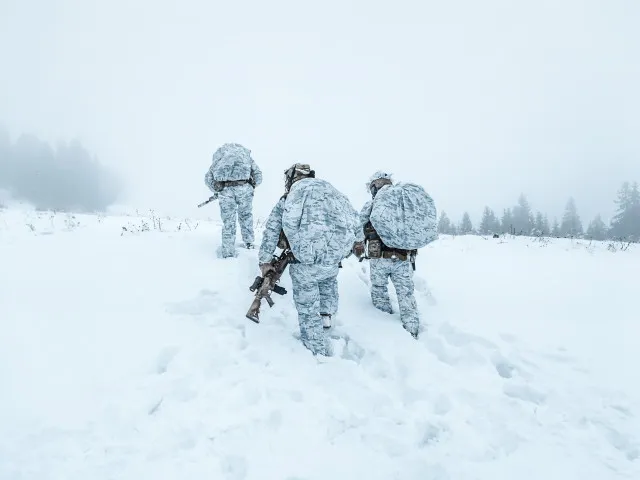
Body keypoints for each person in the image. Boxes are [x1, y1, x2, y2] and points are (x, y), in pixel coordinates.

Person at [258, 163, 358, 356]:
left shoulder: (290, 196)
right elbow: (355, 221)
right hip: (332, 261)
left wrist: (265, 261)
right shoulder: (333, 193)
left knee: (307, 307)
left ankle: (317, 352)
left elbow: (272, 230)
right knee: (327, 286)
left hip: (305, 264)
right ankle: (327, 321)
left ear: (291, 178)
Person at [352, 171, 421, 339]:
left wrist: (359, 244)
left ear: (375, 187)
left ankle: (385, 328)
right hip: (403, 257)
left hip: (379, 258)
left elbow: (359, 228)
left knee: (379, 289)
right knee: (405, 292)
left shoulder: (372, 205)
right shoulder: (404, 205)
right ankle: (412, 328)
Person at [204, 143, 262, 257]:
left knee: (228, 222)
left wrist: (217, 189)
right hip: (244, 189)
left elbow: (208, 178)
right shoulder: (246, 155)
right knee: (246, 216)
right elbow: (258, 176)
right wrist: (251, 186)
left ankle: (228, 252)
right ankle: (249, 243)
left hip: (226, 191)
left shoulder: (220, 157)